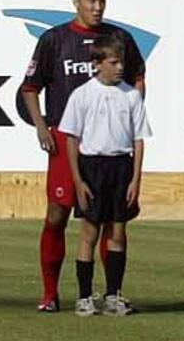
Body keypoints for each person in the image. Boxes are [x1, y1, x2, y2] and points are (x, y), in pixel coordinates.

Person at [20, 0, 147, 312]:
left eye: (102, 0)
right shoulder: (55, 39)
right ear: (76, 1)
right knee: (57, 214)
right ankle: (50, 293)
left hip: (109, 146)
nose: (97, 7)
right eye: (91, 0)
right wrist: (41, 127)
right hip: (68, 140)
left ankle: (111, 293)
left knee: (111, 218)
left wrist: (130, 113)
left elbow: (138, 78)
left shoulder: (119, 39)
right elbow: (30, 87)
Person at [55, 34, 148, 317]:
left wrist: (135, 179)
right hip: (92, 167)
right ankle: (84, 296)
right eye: (114, 62)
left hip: (121, 166)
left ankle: (113, 294)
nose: (120, 67)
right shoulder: (82, 95)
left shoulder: (131, 95)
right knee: (89, 233)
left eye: (122, 62)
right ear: (97, 64)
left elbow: (139, 139)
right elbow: (71, 139)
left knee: (118, 232)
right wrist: (78, 180)